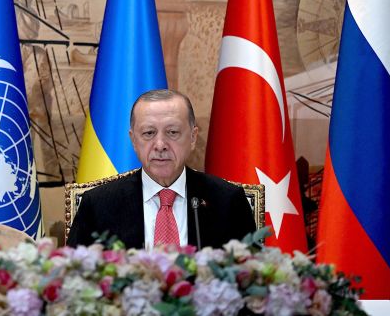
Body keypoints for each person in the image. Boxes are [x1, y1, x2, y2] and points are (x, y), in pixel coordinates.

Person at [67, 89, 256, 249]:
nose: (160, 145)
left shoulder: (228, 201)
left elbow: (250, 278)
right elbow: (76, 281)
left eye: (172, 132)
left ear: (192, 137)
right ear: (133, 140)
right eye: (149, 133)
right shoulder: (98, 205)